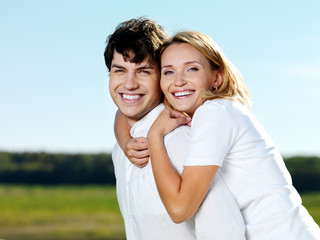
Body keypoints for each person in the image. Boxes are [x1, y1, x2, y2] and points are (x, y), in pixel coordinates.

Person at [146, 31, 320, 240]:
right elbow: (125, 115)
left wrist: (154, 137)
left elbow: (180, 208)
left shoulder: (215, 112)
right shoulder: (214, 114)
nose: (179, 81)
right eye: (168, 72)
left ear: (217, 77)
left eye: (192, 68)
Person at [105, 18, 245, 239]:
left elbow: (226, 229)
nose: (129, 84)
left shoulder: (179, 139)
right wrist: (123, 140)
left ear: (162, 77)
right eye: (119, 70)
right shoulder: (121, 150)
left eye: (143, 71)